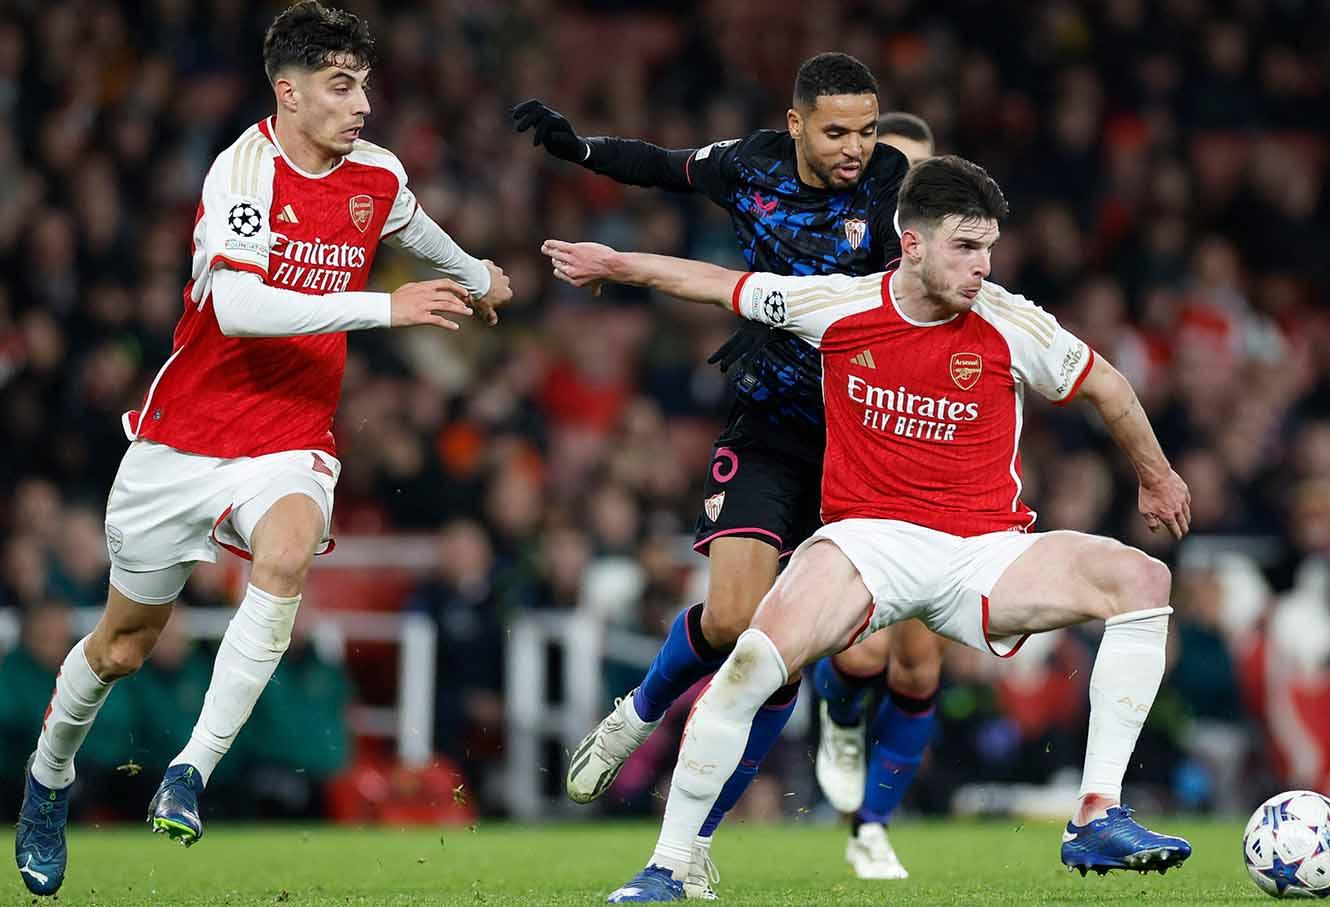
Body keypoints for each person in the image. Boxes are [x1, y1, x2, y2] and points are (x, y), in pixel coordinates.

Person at [542, 154, 1194, 902]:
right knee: (752, 660)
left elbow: (1107, 385)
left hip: (985, 549)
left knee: (1144, 578)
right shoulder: (841, 306)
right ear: (911, 242)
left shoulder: (1012, 321)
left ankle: (1095, 814)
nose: (983, 266)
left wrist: (1157, 474)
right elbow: (718, 284)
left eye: (989, 247)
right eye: (965, 246)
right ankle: (669, 866)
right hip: (868, 543)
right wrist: (616, 263)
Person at [13, 2, 512, 896]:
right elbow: (243, 309)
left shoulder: (375, 172)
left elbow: (408, 223)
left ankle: (190, 771)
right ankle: (49, 777)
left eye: (365, 84)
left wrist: (472, 273)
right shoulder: (241, 173)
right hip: (183, 440)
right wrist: (385, 308)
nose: (362, 103)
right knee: (123, 646)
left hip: (290, 437)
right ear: (288, 91)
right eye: (340, 85)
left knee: (285, 556)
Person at [513, 53, 910, 892]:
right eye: (837, 130)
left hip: (859, 440)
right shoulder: (748, 164)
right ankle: (638, 711)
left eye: (868, 129)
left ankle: (693, 841)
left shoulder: (889, 181)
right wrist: (578, 150)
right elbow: (663, 167)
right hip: (770, 422)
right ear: (797, 123)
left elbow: (906, 274)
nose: (855, 147)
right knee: (734, 619)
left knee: (784, 654)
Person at [803, 110, 950, 879]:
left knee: (919, 668)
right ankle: (839, 711)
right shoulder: (839, 260)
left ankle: (873, 826)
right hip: (855, 466)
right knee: (865, 648)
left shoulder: (961, 268)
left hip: (938, 475)